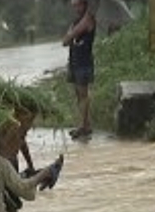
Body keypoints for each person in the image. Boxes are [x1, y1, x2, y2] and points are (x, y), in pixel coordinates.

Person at [63, 0, 97, 140]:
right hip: (75, 61)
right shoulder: (76, 21)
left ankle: (83, 126)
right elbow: (65, 41)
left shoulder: (89, 19)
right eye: (74, 5)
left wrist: (71, 34)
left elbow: (69, 37)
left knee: (83, 94)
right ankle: (86, 124)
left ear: (85, 5)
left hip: (84, 61)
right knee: (78, 94)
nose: (76, 8)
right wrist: (71, 35)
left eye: (78, 5)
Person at [0, 113, 37, 212]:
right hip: (4, 164)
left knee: (11, 204)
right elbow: (1, 146)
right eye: (30, 119)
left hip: (11, 162)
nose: (30, 124)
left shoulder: (18, 126)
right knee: (10, 204)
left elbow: (22, 142)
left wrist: (30, 165)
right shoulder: (10, 124)